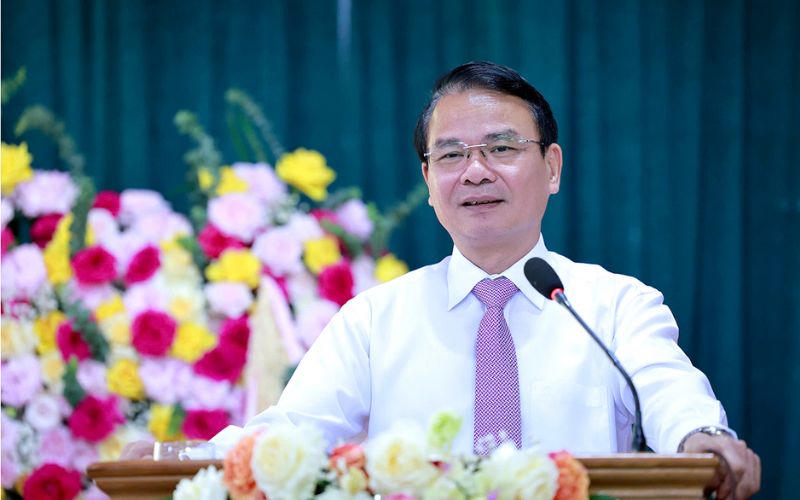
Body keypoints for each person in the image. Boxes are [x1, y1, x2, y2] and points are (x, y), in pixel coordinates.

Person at [131, 62, 761, 498]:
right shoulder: (374, 319)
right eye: (452, 155)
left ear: (553, 167)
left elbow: (669, 391)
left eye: (502, 148)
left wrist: (701, 436)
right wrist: (174, 460)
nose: (475, 171)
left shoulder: (615, 305)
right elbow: (287, 433)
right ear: (429, 183)